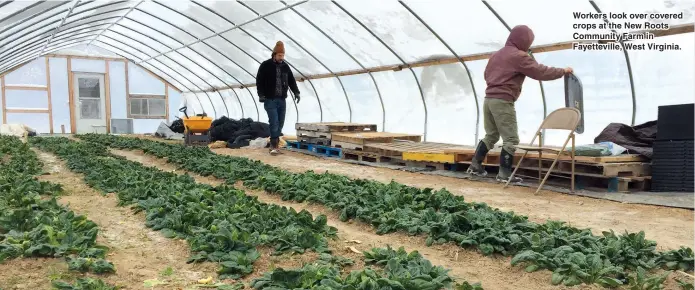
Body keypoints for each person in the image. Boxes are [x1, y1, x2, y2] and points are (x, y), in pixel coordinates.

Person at [467, 25, 573, 183]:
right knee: (511, 139)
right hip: (503, 101)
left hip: (489, 99)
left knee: (492, 135)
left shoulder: (496, 55)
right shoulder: (518, 56)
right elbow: (539, 71)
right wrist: (562, 71)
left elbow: (487, 74)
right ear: (525, 40)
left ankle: (475, 166)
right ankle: (504, 175)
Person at [256, 41, 300, 155]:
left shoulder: (285, 66)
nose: (282, 58)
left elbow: (291, 80)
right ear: (274, 54)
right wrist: (261, 95)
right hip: (270, 99)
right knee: (274, 122)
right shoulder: (265, 65)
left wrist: (296, 92)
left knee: (280, 122)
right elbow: (259, 81)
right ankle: (273, 146)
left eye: (283, 55)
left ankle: (275, 144)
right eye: (280, 55)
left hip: (282, 99)